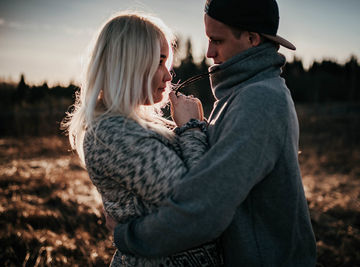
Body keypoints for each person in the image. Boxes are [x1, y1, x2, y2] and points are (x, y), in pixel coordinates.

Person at [111, 0, 317, 266]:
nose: (209, 52)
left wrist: (127, 236)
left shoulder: (260, 99)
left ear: (252, 38)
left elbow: (204, 209)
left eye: (216, 41)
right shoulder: (241, 93)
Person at [62, 11, 224, 266]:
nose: (169, 77)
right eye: (159, 62)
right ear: (129, 63)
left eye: (166, 64)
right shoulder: (112, 134)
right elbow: (196, 200)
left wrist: (194, 128)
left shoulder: (140, 125)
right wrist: (192, 128)